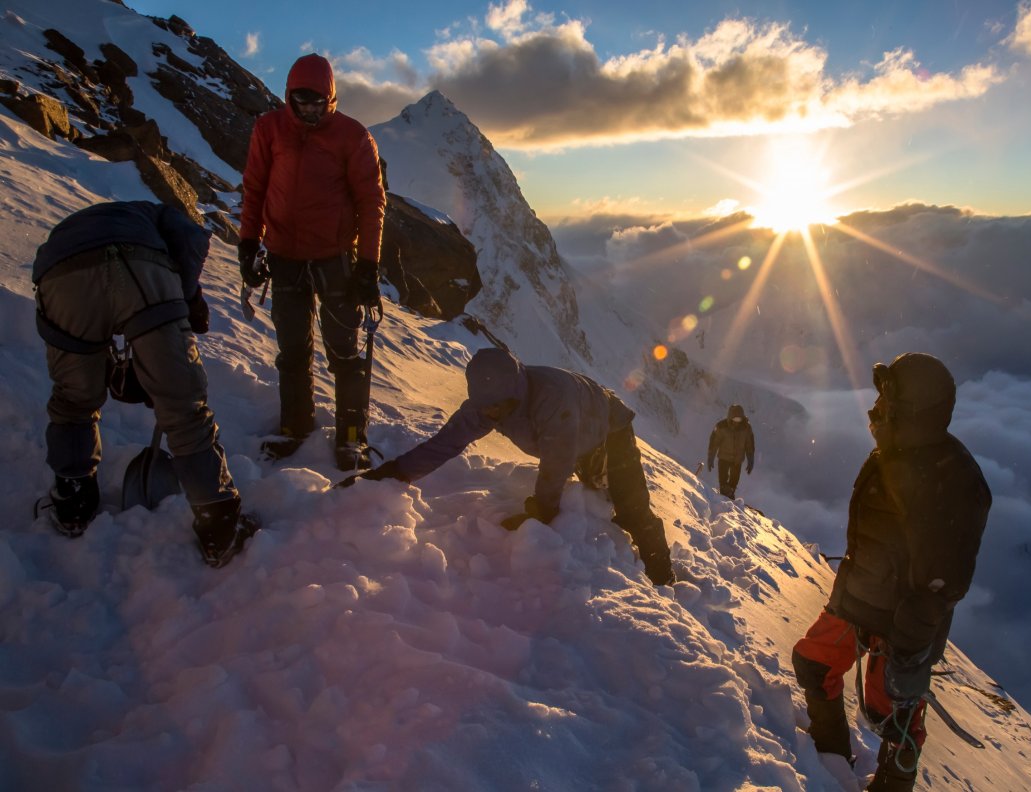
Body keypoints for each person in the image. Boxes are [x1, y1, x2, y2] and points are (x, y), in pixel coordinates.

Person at [790, 353, 991, 791]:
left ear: (910, 410)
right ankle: (831, 759)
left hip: (900, 629)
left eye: (885, 400)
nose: (873, 410)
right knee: (812, 664)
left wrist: (910, 650)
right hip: (858, 604)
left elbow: (943, 582)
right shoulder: (895, 454)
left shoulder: (951, 479)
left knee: (895, 718)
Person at [32, 200, 254, 568]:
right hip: (137, 265)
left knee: (74, 397)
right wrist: (186, 298)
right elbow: (191, 239)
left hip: (61, 272)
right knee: (181, 401)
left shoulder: (103, 220)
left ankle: (73, 499)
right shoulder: (163, 215)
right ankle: (220, 522)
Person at [339, 347, 676, 586]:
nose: (491, 417)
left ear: (515, 394)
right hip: (574, 438)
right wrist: (392, 474)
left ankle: (662, 576)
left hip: (607, 428)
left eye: (499, 409)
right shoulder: (487, 404)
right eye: (486, 409)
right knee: (599, 498)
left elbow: (556, 462)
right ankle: (624, 555)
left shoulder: (552, 399)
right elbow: (444, 445)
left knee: (630, 508)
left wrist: (541, 509)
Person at [238, 53, 387, 472]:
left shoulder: (352, 137)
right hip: (284, 256)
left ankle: (352, 437)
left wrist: (367, 267)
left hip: (333, 258)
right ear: (289, 96)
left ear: (330, 96)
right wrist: (248, 244)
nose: (309, 109)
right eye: (301, 101)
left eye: (317, 101)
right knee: (292, 350)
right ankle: (295, 426)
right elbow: (255, 187)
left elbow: (372, 203)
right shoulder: (269, 128)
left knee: (343, 352)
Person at [707, 404, 755, 498]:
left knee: (733, 483)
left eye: (739, 419)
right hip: (723, 459)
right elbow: (714, 443)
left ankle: (730, 496)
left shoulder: (746, 428)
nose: (737, 422)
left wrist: (750, 459)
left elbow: (749, 445)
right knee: (723, 483)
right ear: (730, 417)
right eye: (735, 419)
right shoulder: (721, 426)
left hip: (737, 461)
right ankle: (724, 498)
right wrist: (710, 457)